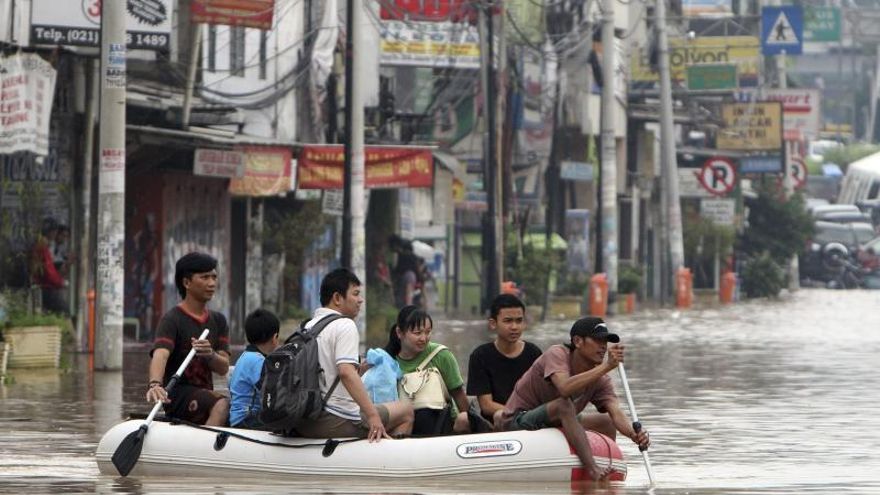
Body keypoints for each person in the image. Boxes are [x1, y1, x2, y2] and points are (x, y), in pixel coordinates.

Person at [497, 316, 650, 481]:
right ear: (577, 341)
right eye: (598, 340)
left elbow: (616, 412)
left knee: (605, 422)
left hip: (554, 421)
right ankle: (592, 469)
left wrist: (633, 434)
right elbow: (564, 388)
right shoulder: (557, 354)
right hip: (519, 420)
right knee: (565, 405)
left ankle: (606, 468)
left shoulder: (600, 377)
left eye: (605, 342)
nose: (603, 347)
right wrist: (606, 366)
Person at [295, 268, 413, 442]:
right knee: (406, 410)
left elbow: (326, 373)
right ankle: (386, 462)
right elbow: (345, 373)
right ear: (337, 298)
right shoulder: (345, 325)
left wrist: (359, 370)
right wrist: (373, 416)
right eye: (356, 294)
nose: (361, 300)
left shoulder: (308, 327)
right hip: (333, 419)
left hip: (304, 419)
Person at [146, 252, 231, 426]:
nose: (212, 283)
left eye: (214, 277)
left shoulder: (218, 321)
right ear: (186, 283)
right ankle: (205, 451)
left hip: (205, 394)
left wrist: (210, 355)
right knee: (223, 404)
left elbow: (223, 368)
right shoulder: (172, 319)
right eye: (205, 277)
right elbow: (160, 355)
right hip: (177, 395)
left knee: (236, 407)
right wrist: (155, 384)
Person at [385, 305, 470, 435]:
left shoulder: (441, 355)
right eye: (417, 333)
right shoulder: (387, 361)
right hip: (404, 427)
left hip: (441, 425)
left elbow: (459, 396)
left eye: (428, 332)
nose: (424, 338)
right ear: (399, 333)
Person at [467, 294, 542, 425]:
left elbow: (542, 396)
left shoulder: (534, 353)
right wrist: (519, 414)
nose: (514, 327)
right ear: (493, 324)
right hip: (495, 423)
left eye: (519, 321)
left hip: (530, 420)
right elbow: (486, 405)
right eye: (508, 321)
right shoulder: (480, 356)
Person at [228, 308, 281, 429]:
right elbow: (270, 392)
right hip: (247, 420)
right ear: (275, 337)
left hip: (237, 418)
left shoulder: (246, 356)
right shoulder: (257, 361)